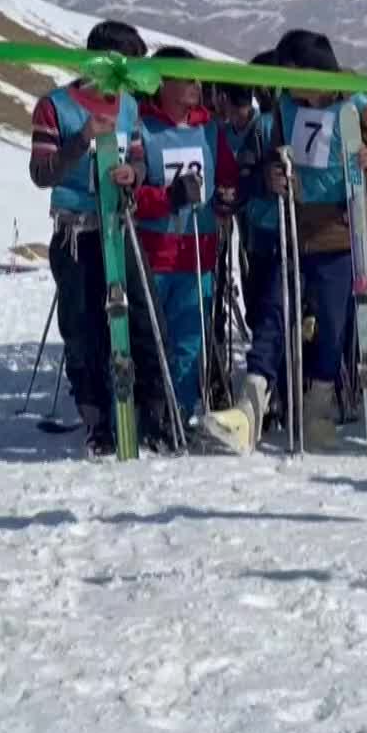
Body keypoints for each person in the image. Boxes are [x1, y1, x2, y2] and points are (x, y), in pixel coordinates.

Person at [260, 30, 367, 451]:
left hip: (339, 233)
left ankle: (318, 407)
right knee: (276, 311)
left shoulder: (358, 103)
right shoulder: (285, 105)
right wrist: (272, 175)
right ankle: (259, 395)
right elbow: (273, 154)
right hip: (296, 229)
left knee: (333, 328)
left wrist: (358, 173)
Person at [28, 20, 148, 456]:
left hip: (118, 230)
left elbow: (140, 161)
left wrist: (132, 174)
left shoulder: (129, 107)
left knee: (129, 321)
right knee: (82, 327)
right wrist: (82, 139)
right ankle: (95, 419)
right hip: (75, 233)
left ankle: (135, 412)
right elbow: (42, 173)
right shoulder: (55, 106)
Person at [133, 48, 240, 451]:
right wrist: (168, 198)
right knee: (151, 338)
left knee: (189, 340)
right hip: (155, 251)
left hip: (199, 251)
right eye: (187, 79)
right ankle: (149, 413)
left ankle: (180, 412)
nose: (197, 86)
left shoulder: (209, 128)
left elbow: (226, 176)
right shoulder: (144, 127)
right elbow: (131, 195)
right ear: (163, 83)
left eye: (198, 79)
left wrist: (229, 196)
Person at [212, 57, 284, 432]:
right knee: (260, 311)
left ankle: (269, 393)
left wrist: (243, 189)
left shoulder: (265, 127)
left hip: (274, 233)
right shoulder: (230, 130)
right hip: (253, 232)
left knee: (270, 313)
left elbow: (266, 179)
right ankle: (271, 393)